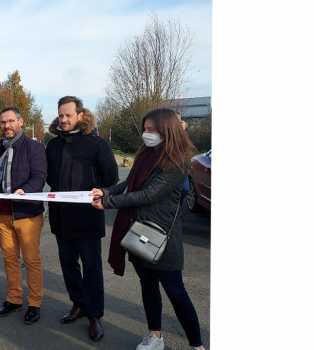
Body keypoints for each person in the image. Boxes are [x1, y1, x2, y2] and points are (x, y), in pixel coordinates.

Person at [90, 108, 206, 350]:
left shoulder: (175, 161)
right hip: (137, 231)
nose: (147, 133)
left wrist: (108, 203)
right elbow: (129, 183)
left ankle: (197, 345)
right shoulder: (146, 154)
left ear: (167, 131)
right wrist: (107, 191)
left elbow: (148, 194)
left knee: (176, 292)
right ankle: (155, 337)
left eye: (152, 130)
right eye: (145, 128)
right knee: (148, 286)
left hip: (162, 236)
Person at [44, 96, 118, 342]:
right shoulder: (53, 146)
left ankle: (94, 315)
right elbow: (47, 178)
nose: (63, 120)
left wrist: (102, 195)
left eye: (68, 115)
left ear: (80, 115)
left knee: (92, 268)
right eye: (60, 115)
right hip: (61, 217)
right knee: (68, 265)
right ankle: (78, 303)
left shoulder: (97, 144)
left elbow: (110, 179)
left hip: (88, 217)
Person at [0, 107, 47, 325]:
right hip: (2, 214)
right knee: (9, 260)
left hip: (27, 213)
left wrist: (25, 190)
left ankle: (35, 303)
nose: (6, 126)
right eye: (3, 122)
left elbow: (39, 177)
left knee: (31, 260)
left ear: (20, 121)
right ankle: (13, 299)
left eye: (11, 121)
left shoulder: (34, 148)